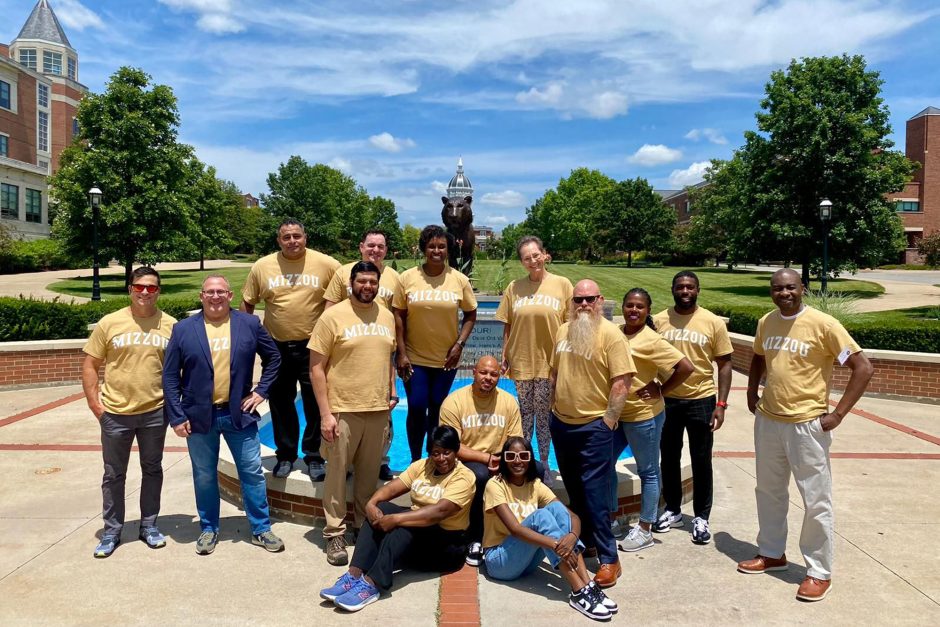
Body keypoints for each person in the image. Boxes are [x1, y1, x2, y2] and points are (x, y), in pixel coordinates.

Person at [739, 268, 873, 602]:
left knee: (815, 500)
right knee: (768, 491)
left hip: (806, 424)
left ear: (803, 288)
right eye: (777, 288)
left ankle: (818, 571)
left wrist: (838, 414)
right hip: (769, 420)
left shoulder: (824, 324)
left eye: (790, 287)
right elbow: (758, 356)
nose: (784, 293)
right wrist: (752, 391)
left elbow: (863, 367)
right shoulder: (766, 321)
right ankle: (772, 553)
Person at [163, 275, 284, 556]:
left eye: (221, 292)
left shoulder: (249, 324)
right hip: (198, 417)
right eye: (209, 292)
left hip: (238, 415)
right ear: (201, 296)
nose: (215, 297)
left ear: (230, 296)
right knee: (204, 475)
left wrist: (261, 392)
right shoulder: (183, 330)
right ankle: (208, 528)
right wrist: (177, 416)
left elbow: (274, 358)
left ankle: (261, 528)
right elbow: (170, 377)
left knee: (251, 473)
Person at [319, 426, 474, 613]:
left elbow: (440, 512)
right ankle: (354, 573)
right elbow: (393, 488)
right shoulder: (423, 466)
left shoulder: (464, 477)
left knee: (406, 524)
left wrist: (397, 519)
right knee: (381, 509)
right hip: (423, 536)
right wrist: (371, 504)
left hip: (447, 547)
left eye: (447, 453)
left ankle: (372, 584)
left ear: (456, 451)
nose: (441, 459)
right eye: (436, 453)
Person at [82, 267, 177, 558]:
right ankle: (112, 531)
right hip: (115, 412)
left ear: (159, 291)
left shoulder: (172, 325)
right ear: (130, 289)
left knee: (152, 470)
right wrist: (96, 405)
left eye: (151, 287)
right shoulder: (110, 323)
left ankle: (149, 525)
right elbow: (90, 365)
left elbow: (178, 371)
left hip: (154, 411)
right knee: (113, 474)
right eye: (139, 287)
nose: (145, 292)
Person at [310, 261, 398, 566]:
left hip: (376, 408)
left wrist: (392, 390)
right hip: (343, 408)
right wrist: (325, 414)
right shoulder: (332, 317)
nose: (368, 287)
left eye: (372, 282)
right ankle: (334, 531)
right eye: (362, 281)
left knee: (368, 474)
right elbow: (316, 368)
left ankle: (363, 525)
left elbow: (388, 357)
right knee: (336, 473)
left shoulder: (386, 316)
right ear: (351, 283)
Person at [240, 219, 341, 482]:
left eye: (297, 236)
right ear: (279, 240)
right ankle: (285, 454)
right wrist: (248, 339)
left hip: (314, 348)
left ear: (305, 237)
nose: (292, 241)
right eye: (287, 237)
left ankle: (314, 455)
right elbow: (248, 303)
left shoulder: (326, 263)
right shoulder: (263, 266)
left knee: (315, 402)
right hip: (276, 347)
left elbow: (344, 291)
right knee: (281, 402)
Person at [550, 279, 635, 588]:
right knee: (574, 487)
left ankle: (610, 559)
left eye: (589, 299)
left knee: (595, 492)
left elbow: (622, 381)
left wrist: (608, 423)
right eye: (578, 300)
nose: (583, 305)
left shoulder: (611, 335)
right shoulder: (563, 331)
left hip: (593, 428)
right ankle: (587, 540)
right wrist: (551, 408)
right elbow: (555, 372)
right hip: (562, 423)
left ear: (600, 301)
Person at [483, 437, 617, 622]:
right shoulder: (495, 485)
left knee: (556, 509)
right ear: (504, 459)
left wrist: (571, 536)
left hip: (526, 561)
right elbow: (515, 529)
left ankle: (587, 584)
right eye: (511, 456)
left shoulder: (534, 485)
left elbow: (573, 517)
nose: (517, 460)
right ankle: (578, 591)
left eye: (523, 455)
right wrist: (556, 545)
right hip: (499, 560)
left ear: (530, 458)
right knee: (541, 516)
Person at [653, 271, 734, 544]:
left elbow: (724, 364)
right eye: (680, 286)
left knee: (701, 460)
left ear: (697, 290)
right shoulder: (659, 321)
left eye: (689, 287)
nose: (685, 290)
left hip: (702, 399)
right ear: (672, 289)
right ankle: (673, 510)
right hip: (668, 401)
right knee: (669, 458)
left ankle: (701, 516)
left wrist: (721, 404)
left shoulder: (712, 322)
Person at [611, 288, 692, 553]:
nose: (633, 310)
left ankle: (646, 528)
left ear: (647, 311)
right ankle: (612, 519)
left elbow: (685, 367)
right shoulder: (616, 333)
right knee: (603, 464)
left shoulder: (652, 340)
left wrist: (661, 389)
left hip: (642, 415)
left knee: (648, 471)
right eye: (629, 305)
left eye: (639, 307)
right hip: (616, 414)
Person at [393, 225, 477, 462]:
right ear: (424, 249)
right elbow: (398, 315)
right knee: (418, 407)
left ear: (448, 249)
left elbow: (471, 314)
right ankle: (415, 459)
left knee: (437, 408)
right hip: (414, 358)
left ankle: (433, 458)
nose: (436, 250)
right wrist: (401, 353)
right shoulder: (408, 278)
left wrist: (459, 345)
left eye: (441, 246)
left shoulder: (459, 280)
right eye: (431, 246)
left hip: (446, 360)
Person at [324, 229, 403, 481]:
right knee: (345, 419)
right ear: (361, 246)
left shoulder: (394, 278)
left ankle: (380, 460)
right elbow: (328, 311)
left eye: (381, 246)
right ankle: (344, 464)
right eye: (371, 245)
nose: (375, 250)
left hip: (379, 352)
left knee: (383, 419)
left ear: (386, 250)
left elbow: (398, 318)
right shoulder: (342, 273)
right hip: (348, 352)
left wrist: (398, 356)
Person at [439, 354, 527, 566]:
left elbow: (516, 440)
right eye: (484, 372)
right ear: (474, 373)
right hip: (466, 462)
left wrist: (505, 461)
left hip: (501, 458)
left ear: (500, 376)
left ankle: (521, 531)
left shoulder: (508, 401)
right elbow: (452, 446)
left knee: (538, 471)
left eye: (494, 374)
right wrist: (488, 458)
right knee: (480, 475)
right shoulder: (455, 402)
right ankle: (476, 539)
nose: (488, 377)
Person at [496, 235, 572, 471]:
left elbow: (570, 326)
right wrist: (504, 356)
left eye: (536, 255)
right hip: (521, 362)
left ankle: (545, 464)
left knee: (544, 416)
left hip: (549, 363)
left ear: (544, 254)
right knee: (524, 416)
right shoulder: (514, 288)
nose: (532, 261)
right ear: (522, 262)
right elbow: (507, 325)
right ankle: (524, 463)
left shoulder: (562, 284)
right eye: (527, 258)